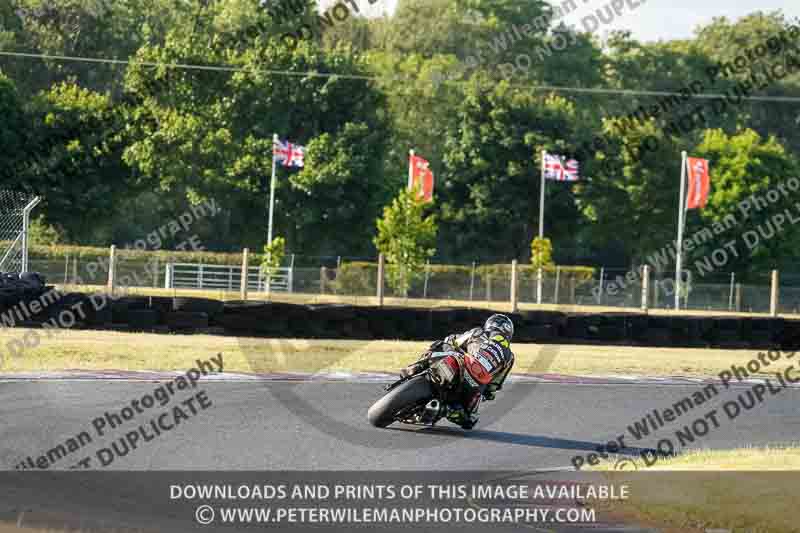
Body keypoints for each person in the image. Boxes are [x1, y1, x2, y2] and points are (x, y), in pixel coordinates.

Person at [400, 314, 515, 429]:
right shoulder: (509, 356)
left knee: (440, 344)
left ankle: (417, 366)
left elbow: (452, 341)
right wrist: (488, 393)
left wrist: (454, 346)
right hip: (476, 385)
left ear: (489, 324)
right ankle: (448, 409)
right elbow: (495, 384)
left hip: (462, 365)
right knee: (469, 420)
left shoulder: (478, 332)